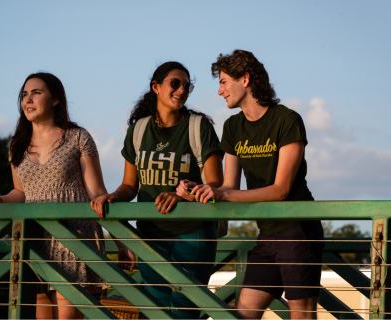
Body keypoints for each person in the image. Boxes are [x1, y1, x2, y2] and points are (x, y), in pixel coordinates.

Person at [178, 50, 324, 319]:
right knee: (244, 312)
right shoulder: (233, 127)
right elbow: (228, 187)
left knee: (301, 314)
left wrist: (224, 194)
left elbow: (280, 190)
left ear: (244, 79)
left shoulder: (287, 120)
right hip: (267, 233)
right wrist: (196, 190)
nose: (220, 91)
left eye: (223, 82)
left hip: (297, 230)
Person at [91, 61, 224, 319]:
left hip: (192, 232)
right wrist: (114, 197)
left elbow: (216, 185)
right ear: (156, 87)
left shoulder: (198, 127)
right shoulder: (139, 130)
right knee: (157, 312)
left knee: (184, 311)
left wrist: (181, 194)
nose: (182, 90)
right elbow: (130, 186)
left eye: (187, 85)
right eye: (175, 83)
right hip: (150, 236)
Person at [0, 72, 108, 320]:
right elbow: (21, 193)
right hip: (34, 241)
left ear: (55, 99)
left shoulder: (78, 137)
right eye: (24, 94)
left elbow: (97, 193)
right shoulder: (17, 145)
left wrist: (121, 239)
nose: (28, 100)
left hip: (73, 238)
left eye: (36, 93)